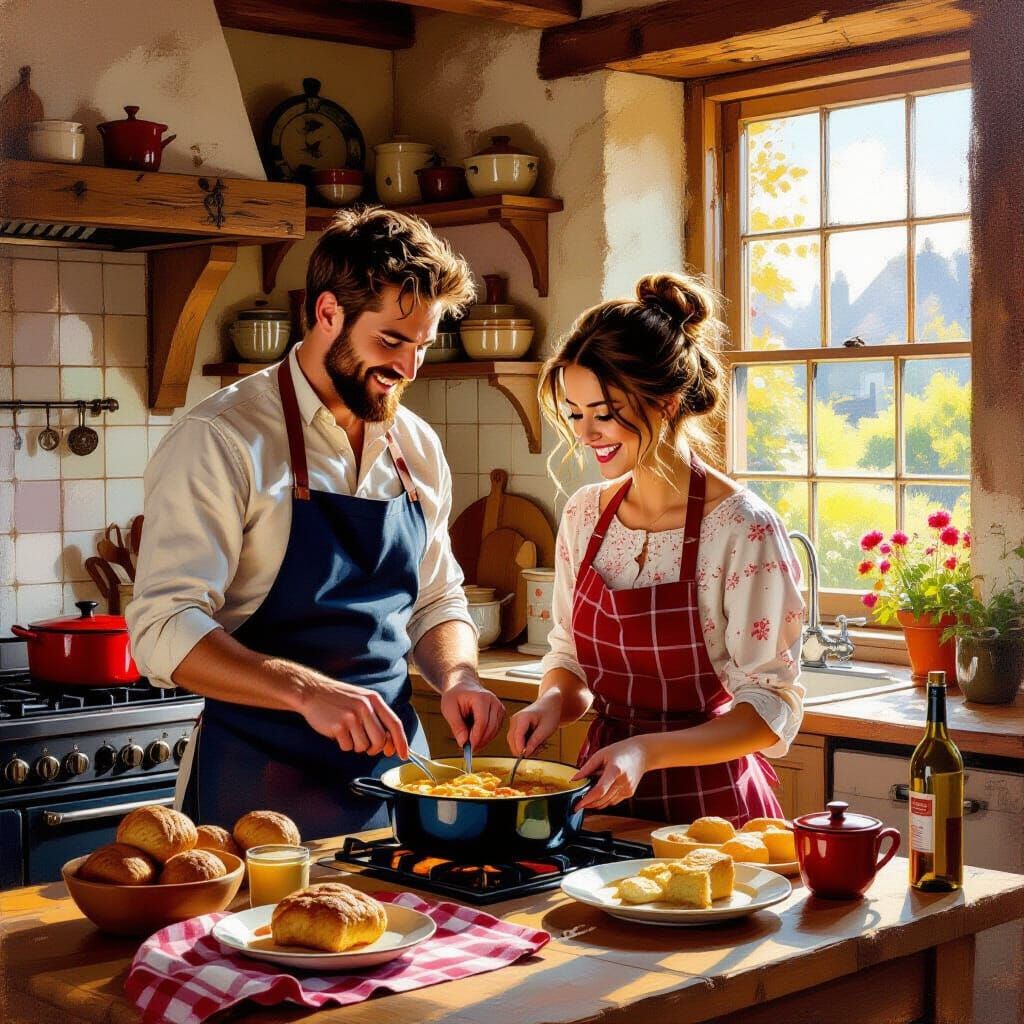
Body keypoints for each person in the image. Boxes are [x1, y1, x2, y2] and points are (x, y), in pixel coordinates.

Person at [128, 207, 505, 836]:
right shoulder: (222, 438)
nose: (409, 370)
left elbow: (436, 598)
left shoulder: (414, 444)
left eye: (422, 345)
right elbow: (163, 627)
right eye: (390, 341)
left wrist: (458, 676)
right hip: (254, 786)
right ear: (328, 313)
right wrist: (308, 692)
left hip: (395, 781)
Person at [507, 272, 805, 824]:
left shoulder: (742, 527)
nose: (587, 434)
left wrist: (646, 751)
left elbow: (770, 710)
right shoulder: (584, 515)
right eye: (576, 414)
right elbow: (570, 656)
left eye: (605, 412)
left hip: (715, 817)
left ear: (665, 402)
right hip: (601, 796)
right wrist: (551, 702)